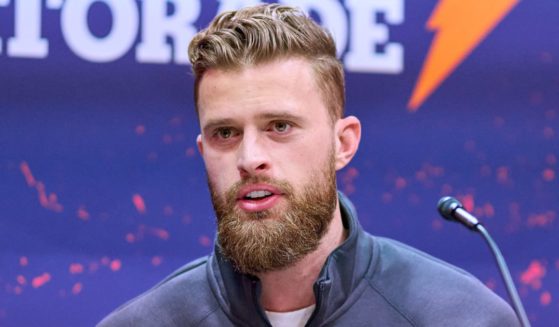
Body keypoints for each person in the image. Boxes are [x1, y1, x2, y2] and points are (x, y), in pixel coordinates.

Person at [98, 4, 519, 326]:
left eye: (279, 126)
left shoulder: (461, 318)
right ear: (203, 150)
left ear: (343, 143)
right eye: (225, 134)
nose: (249, 159)